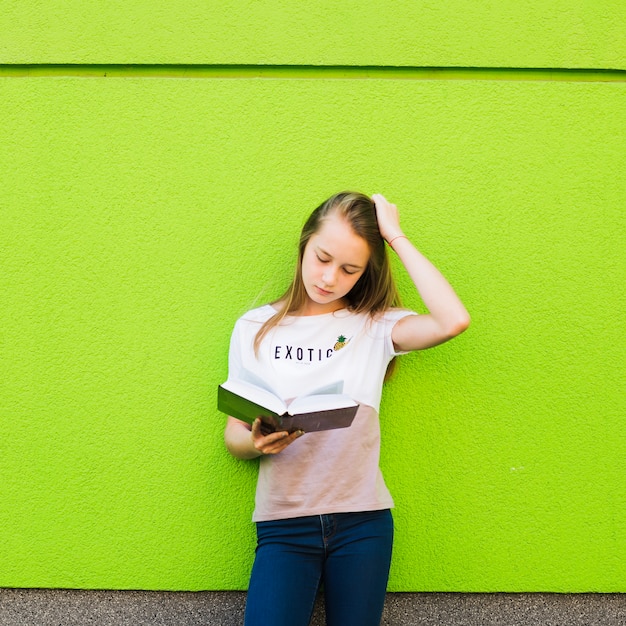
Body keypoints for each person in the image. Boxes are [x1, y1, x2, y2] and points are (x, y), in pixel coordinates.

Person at [223, 191, 470, 626]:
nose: (329, 277)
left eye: (349, 269)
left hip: (362, 523)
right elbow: (233, 436)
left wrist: (395, 236)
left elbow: (453, 321)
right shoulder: (253, 328)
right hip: (283, 525)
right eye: (322, 257)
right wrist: (257, 442)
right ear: (304, 244)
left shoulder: (374, 327)